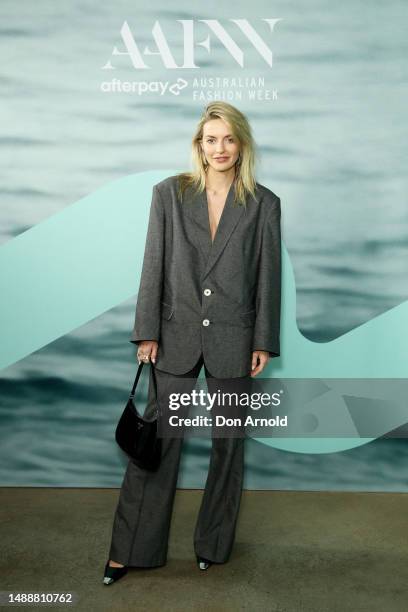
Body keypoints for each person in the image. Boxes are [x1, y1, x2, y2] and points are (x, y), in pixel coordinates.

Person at [103, 101, 282, 585]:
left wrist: (263, 339)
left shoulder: (264, 203)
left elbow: (268, 276)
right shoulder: (168, 194)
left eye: (228, 139)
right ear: (198, 146)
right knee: (157, 444)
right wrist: (147, 331)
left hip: (236, 338)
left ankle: (214, 545)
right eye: (210, 139)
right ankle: (131, 550)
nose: (219, 148)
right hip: (175, 335)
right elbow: (152, 265)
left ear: (240, 143)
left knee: (228, 447)